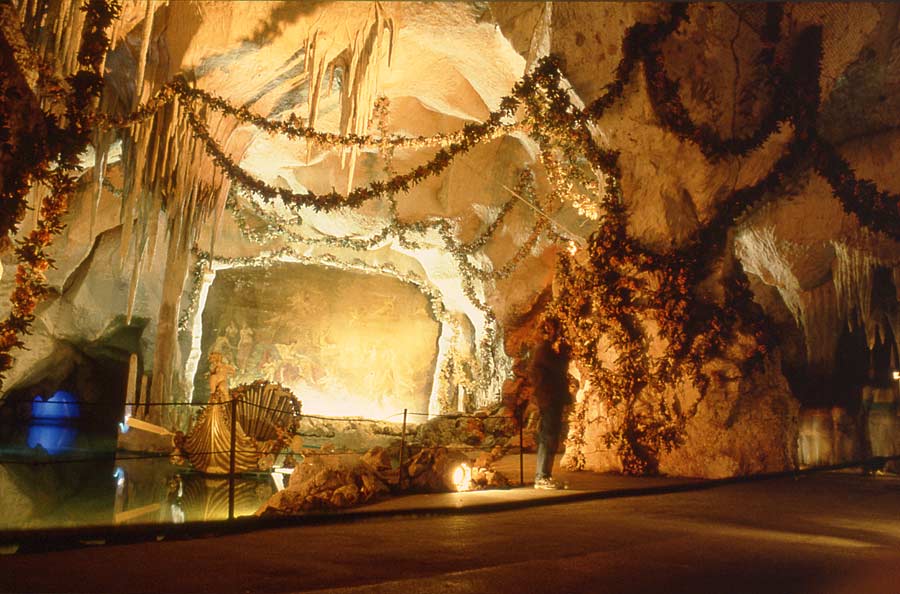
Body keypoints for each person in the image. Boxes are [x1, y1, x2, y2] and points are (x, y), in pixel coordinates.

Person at [530, 319, 573, 489]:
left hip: (550, 398)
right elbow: (558, 367)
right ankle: (542, 476)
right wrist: (564, 353)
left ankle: (544, 475)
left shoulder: (543, 350)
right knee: (548, 436)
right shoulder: (543, 350)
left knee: (550, 436)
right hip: (550, 399)